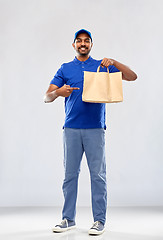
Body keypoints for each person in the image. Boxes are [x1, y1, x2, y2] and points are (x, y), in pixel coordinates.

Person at [44, 29, 137, 235]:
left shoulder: (101, 66)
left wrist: (114, 62)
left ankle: (99, 221)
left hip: (95, 129)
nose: (83, 44)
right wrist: (59, 92)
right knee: (70, 176)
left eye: (87, 41)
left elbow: (132, 76)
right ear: (74, 45)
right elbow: (47, 96)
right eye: (79, 41)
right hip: (71, 130)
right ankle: (68, 219)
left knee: (98, 177)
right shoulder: (65, 68)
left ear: (91, 45)